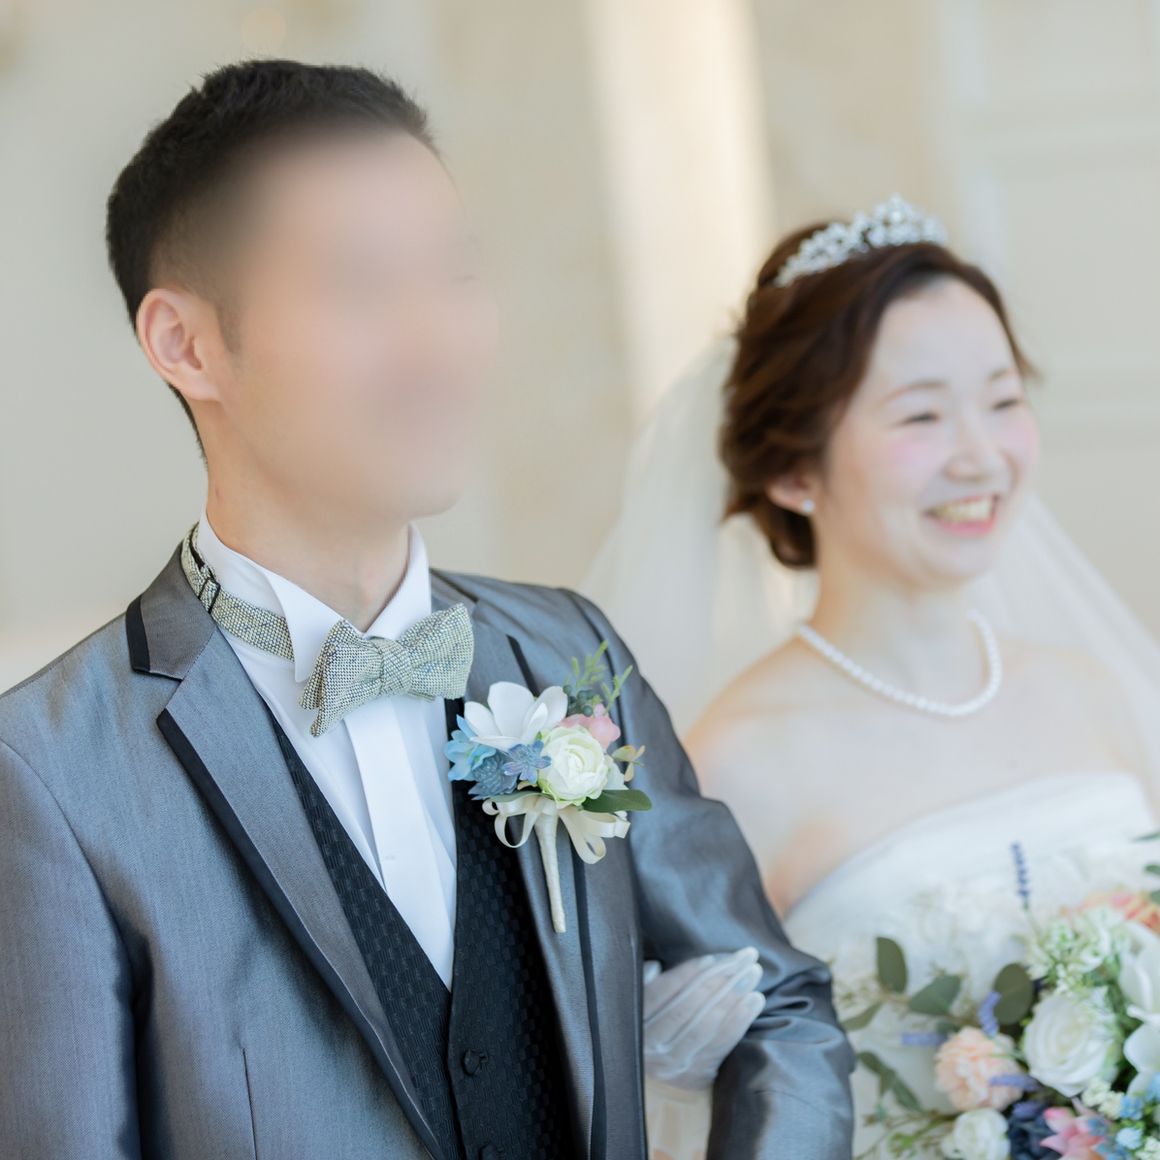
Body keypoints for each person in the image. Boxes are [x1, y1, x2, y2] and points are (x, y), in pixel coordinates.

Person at [0, 60, 854, 1159]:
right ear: (187, 344)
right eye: (360, 287)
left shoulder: (566, 652)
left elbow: (779, 1006)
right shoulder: (51, 772)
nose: (437, 340)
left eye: (455, 273)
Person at [587, 197, 1160, 1157]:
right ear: (793, 470)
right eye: (922, 414)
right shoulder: (730, 767)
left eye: (1003, 400)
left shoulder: (1090, 689)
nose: (981, 455)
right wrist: (673, 1070)